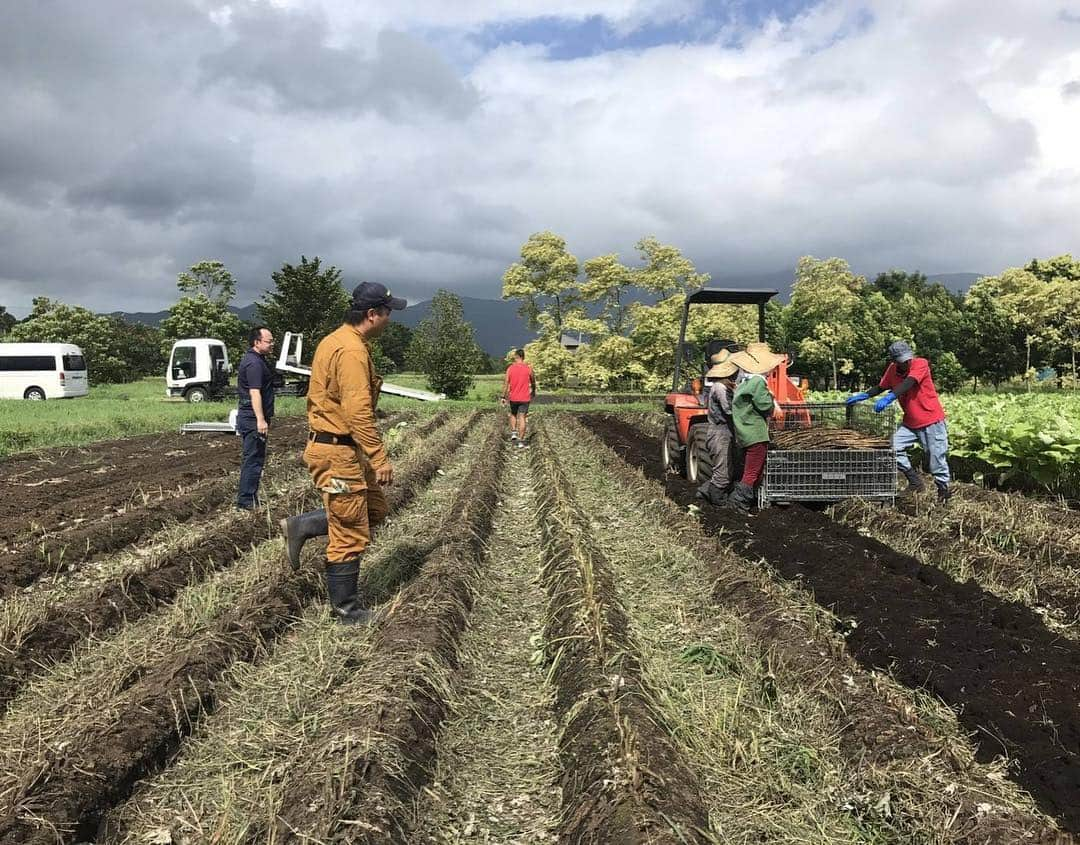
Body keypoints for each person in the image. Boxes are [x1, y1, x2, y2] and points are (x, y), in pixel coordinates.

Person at [281, 282, 405, 624]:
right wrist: (379, 457)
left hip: (344, 449)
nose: (390, 319)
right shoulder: (350, 351)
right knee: (350, 530)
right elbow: (358, 412)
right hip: (336, 451)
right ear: (371, 314)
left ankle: (304, 524)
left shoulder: (336, 340)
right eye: (388, 312)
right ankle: (346, 611)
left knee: (374, 509)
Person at [845, 340, 951, 501]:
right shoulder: (892, 370)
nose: (906, 363)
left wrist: (890, 397)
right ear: (894, 362)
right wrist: (864, 395)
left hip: (931, 420)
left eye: (907, 359)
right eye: (902, 361)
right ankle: (915, 482)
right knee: (893, 448)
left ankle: (944, 492)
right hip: (910, 422)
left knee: (936, 459)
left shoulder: (920, 364)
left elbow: (910, 382)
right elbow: (881, 386)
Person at [726, 342, 785, 512]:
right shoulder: (758, 382)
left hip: (744, 433)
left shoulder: (744, 383)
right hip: (756, 435)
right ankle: (737, 503)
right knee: (752, 472)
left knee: (752, 470)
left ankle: (745, 501)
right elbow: (765, 406)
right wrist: (772, 400)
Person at [235, 326, 275, 510]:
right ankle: (246, 501)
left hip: (251, 417)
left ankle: (250, 497)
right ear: (257, 342)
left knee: (256, 457)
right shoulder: (254, 364)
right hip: (251, 418)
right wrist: (260, 419)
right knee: (253, 458)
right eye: (269, 341)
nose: (272, 344)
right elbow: (254, 392)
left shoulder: (258, 360)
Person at [696, 351, 739, 506]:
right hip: (721, 432)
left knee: (728, 469)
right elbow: (728, 410)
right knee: (723, 473)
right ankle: (718, 503)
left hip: (722, 431)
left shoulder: (722, 386)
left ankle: (703, 492)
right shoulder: (720, 388)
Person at [502, 348, 536, 449]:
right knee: (522, 418)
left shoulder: (510, 368)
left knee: (513, 414)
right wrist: (533, 391)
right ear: (523, 357)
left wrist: (503, 396)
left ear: (516, 357)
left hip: (513, 397)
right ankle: (520, 442)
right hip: (525, 398)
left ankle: (513, 433)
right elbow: (533, 381)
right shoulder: (529, 369)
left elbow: (506, 383)